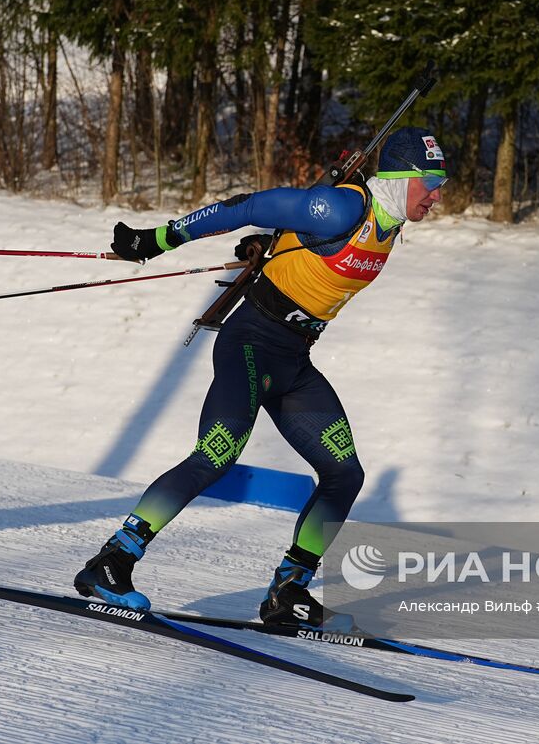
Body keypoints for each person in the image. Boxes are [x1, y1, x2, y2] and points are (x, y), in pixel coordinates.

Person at [75, 126, 447, 631]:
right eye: (431, 181)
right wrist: (156, 239)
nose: (438, 194)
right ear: (402, 178)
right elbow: (246, 205)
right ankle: (112, 562)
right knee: (217, 454)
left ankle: (287, 591)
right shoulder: (343, 209)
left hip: (293, 362)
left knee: (344, 473)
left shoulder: (389, 218)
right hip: (250, 344)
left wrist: (281, 242)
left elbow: (303, 248)